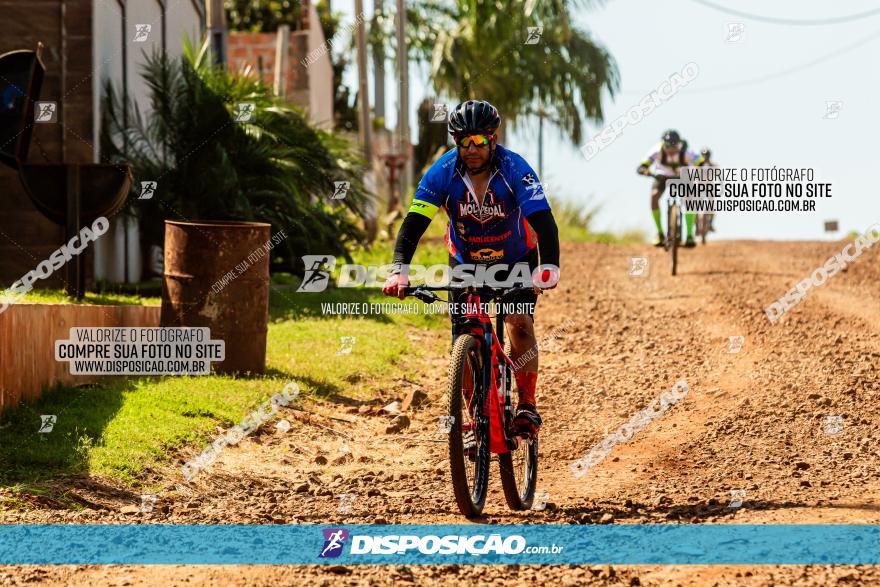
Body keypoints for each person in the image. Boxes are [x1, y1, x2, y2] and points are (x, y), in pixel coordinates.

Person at [381, 100, 560, 436]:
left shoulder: (515, 168)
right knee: (463, 335)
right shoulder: (441, 172)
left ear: (493, 139)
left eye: (479, 141)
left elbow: (544, 222)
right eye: (464, 141)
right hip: (465, 262)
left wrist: (549, 266)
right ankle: (473, 416)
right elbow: (414, 223)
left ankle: (527, 406)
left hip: (516, 259)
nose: (471, 149)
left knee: (519, 324)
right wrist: (398, 269)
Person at [637, 130, 701, 247]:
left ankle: (689, 235)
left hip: (683, 176)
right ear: (663, 144)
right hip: (662, 176)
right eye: (668, 146)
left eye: (674, 146)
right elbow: (643, 166)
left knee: (688, 200)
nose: (671, 150)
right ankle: (660, 233)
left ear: (679, 144)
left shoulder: (686, 151)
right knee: (654, 195)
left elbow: (700, 162)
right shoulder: (656, 151)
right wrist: (645, 171)